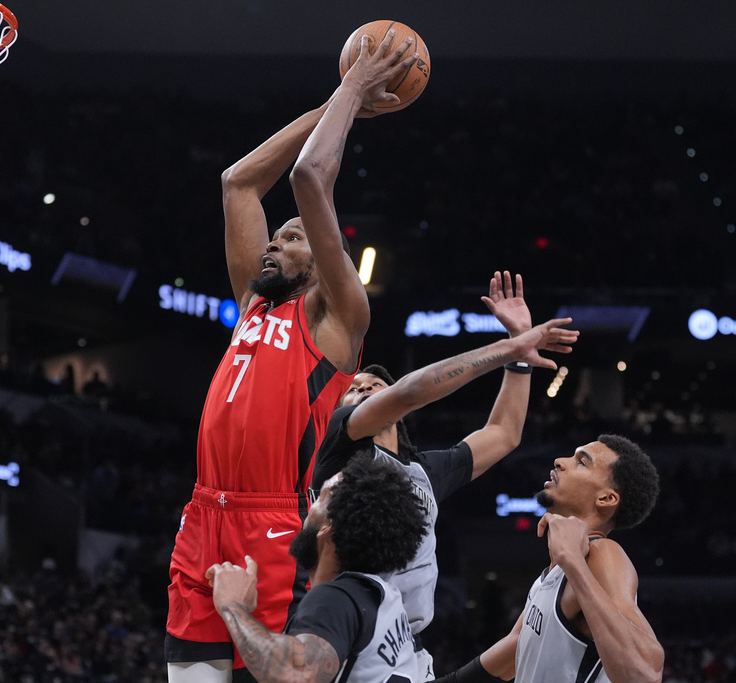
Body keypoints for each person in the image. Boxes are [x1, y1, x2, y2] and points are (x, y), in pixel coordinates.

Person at [165, 31, 420, 682]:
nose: (275, 242)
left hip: (273, 523)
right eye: (275, 236)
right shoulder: (254, 304)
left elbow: (312, 179)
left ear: (326, 260)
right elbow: (238, 183)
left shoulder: (338, 321)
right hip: (203, 515)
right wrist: (342, 97)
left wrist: (353, 96)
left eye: (295, 236)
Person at [311, 271, 578, 681]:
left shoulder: (424, 472)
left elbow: (503, 434)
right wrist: (509, 347)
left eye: (375, 385)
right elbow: (411, 391)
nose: (364, 390)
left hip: (406, 642)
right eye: (355, 388)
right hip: (346, 626)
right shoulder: (343, 447)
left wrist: (521, 356)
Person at [432, 434, 664, 683]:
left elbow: (645, 674)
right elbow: (514, 650)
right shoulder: (555, 572)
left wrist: (572, 561)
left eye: (582, 462)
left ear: (606, 499)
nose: (559, 461)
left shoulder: (602, 554)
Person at [209, 455, 427, 683]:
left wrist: (233, 606)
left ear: (327, 526)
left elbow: (296, 673)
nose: (307, 510)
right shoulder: (386, 602)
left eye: (318, 499)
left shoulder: (335, 598)